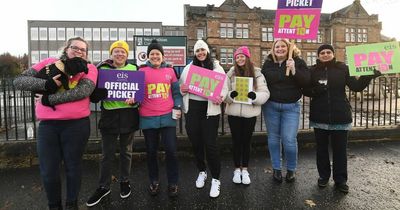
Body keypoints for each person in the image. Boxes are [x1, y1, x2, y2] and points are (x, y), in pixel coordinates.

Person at [13, 37, 97, 210]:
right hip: (48, 127)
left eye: (83, 49)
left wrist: (48, 99)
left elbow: (83, 91)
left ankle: (71, 204)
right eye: (75, 47)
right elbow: (19, 81)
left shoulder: (89, 68)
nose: (79, 51)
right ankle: (54, 205)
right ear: (66, 49)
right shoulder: (50, 63)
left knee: (73, 167)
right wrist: (47, 83)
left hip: (77, 126)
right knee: (48, 171)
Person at [302, 44, 381, 193]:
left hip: (340, 114)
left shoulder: (343, 68)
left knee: (340, 151)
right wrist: (315, 91)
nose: (325, 54)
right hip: (320, 115)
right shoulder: (312, 70)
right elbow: (304, 89)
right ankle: (323, 176)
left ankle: (340, 180)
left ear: (333, 54)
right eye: (322, 53)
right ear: (318, 56)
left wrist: (368, 75)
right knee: (321, 150)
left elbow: (356, 87)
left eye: (328, 52)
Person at [86, 40, 139, 206]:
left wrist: (135, 100)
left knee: (126, 152)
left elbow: (139, 93)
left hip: (128, 114)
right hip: (109, 116)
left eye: (123, 51)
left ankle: (124, 181)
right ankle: (104, 186)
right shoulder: (103, 69)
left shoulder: (134, 69)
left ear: (127, 54)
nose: (120, 54)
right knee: (107, 154)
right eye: (116, 51)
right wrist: (100, 92)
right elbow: (94, 94)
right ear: (111, 53)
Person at [180, 40, 228, 198]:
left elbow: (224, 88)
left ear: (207, 51)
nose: (200, 53)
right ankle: (202, 171)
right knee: (196, 143)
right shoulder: (188, 68)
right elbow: (181, 87)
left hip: (209, 111)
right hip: (192, 109)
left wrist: (220, 97)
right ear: (195, 53)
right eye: (198, 50)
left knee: (211, 144)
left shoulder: (216, 67)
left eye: (203, 50)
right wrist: (182, 89)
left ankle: (215, 178)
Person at [261, 39, 310, 183]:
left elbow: (306, 81)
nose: (280, 49)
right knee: (273, 139)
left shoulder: (298, 61)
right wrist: (284, 72)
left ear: (289, 48)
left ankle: (291, 169)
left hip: (291, 107)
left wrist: (294, 70)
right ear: (273, 49)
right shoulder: (269, 62)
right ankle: (276, 168)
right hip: (271, 106)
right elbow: (267, 78)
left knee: (289, 140)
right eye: (277, 46)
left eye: (283, 46)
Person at [139, 40, 182, 198]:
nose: (155, 56)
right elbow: (136, 93)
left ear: (162, 56)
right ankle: (154, 181)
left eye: (158, 54)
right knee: (151, 152)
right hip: (148, 117)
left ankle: (173, 182)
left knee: (171, 151)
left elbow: (176, 92)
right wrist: (133, 100)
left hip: (167, 117)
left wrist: (177, 106)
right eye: (152, 54)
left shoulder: (170, 71)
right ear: (148, 56)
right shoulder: (141, 71)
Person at [225, 46, 270, 185]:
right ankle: (236, 170)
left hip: (250, 114)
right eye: (237, 57)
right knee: (236, 141)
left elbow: (265, 93)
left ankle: (245, 169)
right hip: (233, 113)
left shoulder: (257, 73)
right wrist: (229, 96)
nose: (239, 59)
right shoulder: (231, 73)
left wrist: (254, 96)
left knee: (246, 142)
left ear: (247, 57)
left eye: (242, 56)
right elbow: (223, 91)